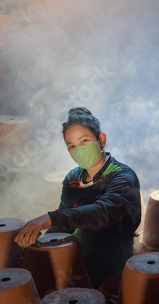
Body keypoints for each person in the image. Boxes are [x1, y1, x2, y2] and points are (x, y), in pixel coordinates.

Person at [14, 107, 142, 288]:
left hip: (114, 260)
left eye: (84, 141)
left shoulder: (122, 176)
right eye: (72, 146)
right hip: (79, 254)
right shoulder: (73, 179)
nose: (78, 149)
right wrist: (41, 246)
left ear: (101, 140)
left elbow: (103, 212)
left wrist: (50, 218)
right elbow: (62, 225)